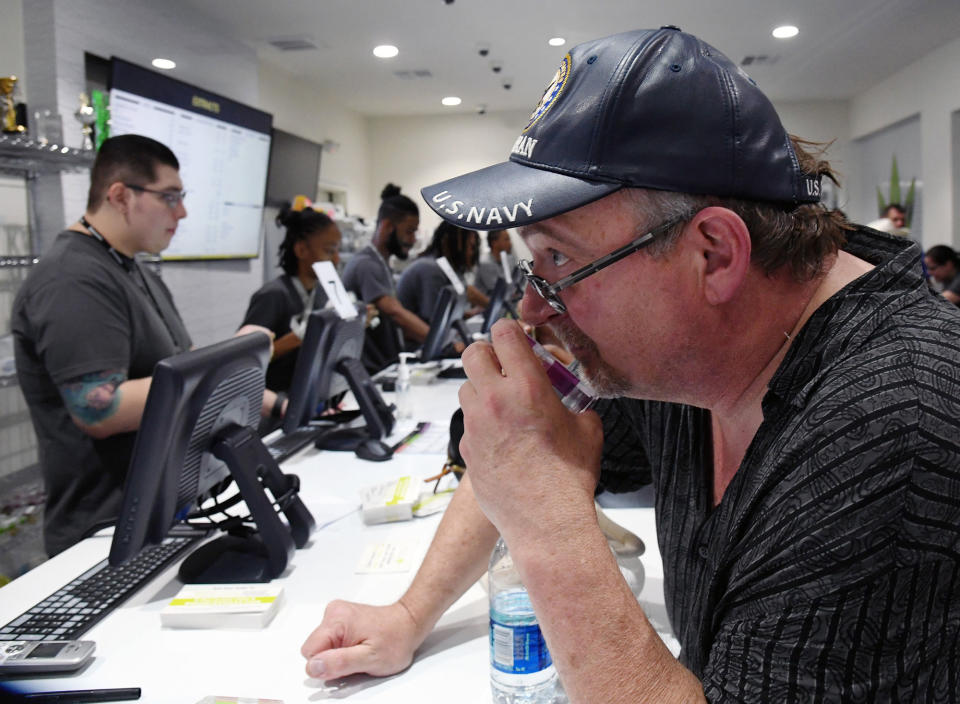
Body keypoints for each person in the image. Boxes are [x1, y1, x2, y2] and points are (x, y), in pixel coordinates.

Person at [300, 28, 960, 701]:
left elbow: (530, 486)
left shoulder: (896, 422)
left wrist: (545, 521)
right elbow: (525, 450)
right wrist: (409, 615)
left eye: (559, 259)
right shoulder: (689, 346)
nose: (532, 307)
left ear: (714, 253)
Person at [12, 134, 275, 557]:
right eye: (170, 197)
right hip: (105, 534)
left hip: (160, 517)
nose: (183, 212)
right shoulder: (74, 278)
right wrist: (227, 362)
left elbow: (176, 370)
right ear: (120, 196)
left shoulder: (135, 272)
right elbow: (101, 409)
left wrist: (261, 394)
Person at [241, 199, 341, 392]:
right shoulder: (273, 296)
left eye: (338, 251)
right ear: (301, 250)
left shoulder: (321, 292)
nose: (336, 260)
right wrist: (299, 337)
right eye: (329, 251)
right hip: (275, 402)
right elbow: (246, 362)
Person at [341, 183, 426, 371]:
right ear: (387, 226)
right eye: (409, 231)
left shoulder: (380, 262)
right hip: (372, 371)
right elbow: (396, 313)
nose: (412, 240)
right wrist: (438, 341)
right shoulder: (367, 264)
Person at [396, 221, 487, 328]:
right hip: (418, 342)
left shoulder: (447, 268)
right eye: (470, 247)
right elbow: (433, 320)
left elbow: (463, 292)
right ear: (452, 243)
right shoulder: (430, 269)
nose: (472, 253)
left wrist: (467, 314)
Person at [475, 229, 515, 296]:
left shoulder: (506, 258)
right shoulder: (485, 263)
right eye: (506, 239)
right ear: (494, 243)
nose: (510, 243)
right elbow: (499, 290)